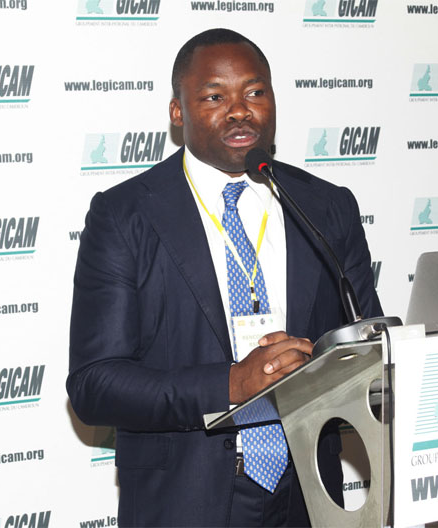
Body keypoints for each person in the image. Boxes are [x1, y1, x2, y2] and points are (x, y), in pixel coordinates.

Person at [67, 28, 382, 527]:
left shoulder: (327, 206)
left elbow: (368, 349)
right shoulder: (125, 216)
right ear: (178, 113)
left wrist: (345, 362)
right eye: (215, 97)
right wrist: (231, 383)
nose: (239, 111)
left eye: (254, 92)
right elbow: (94, 384)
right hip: (184, 499)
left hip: (308, 492)